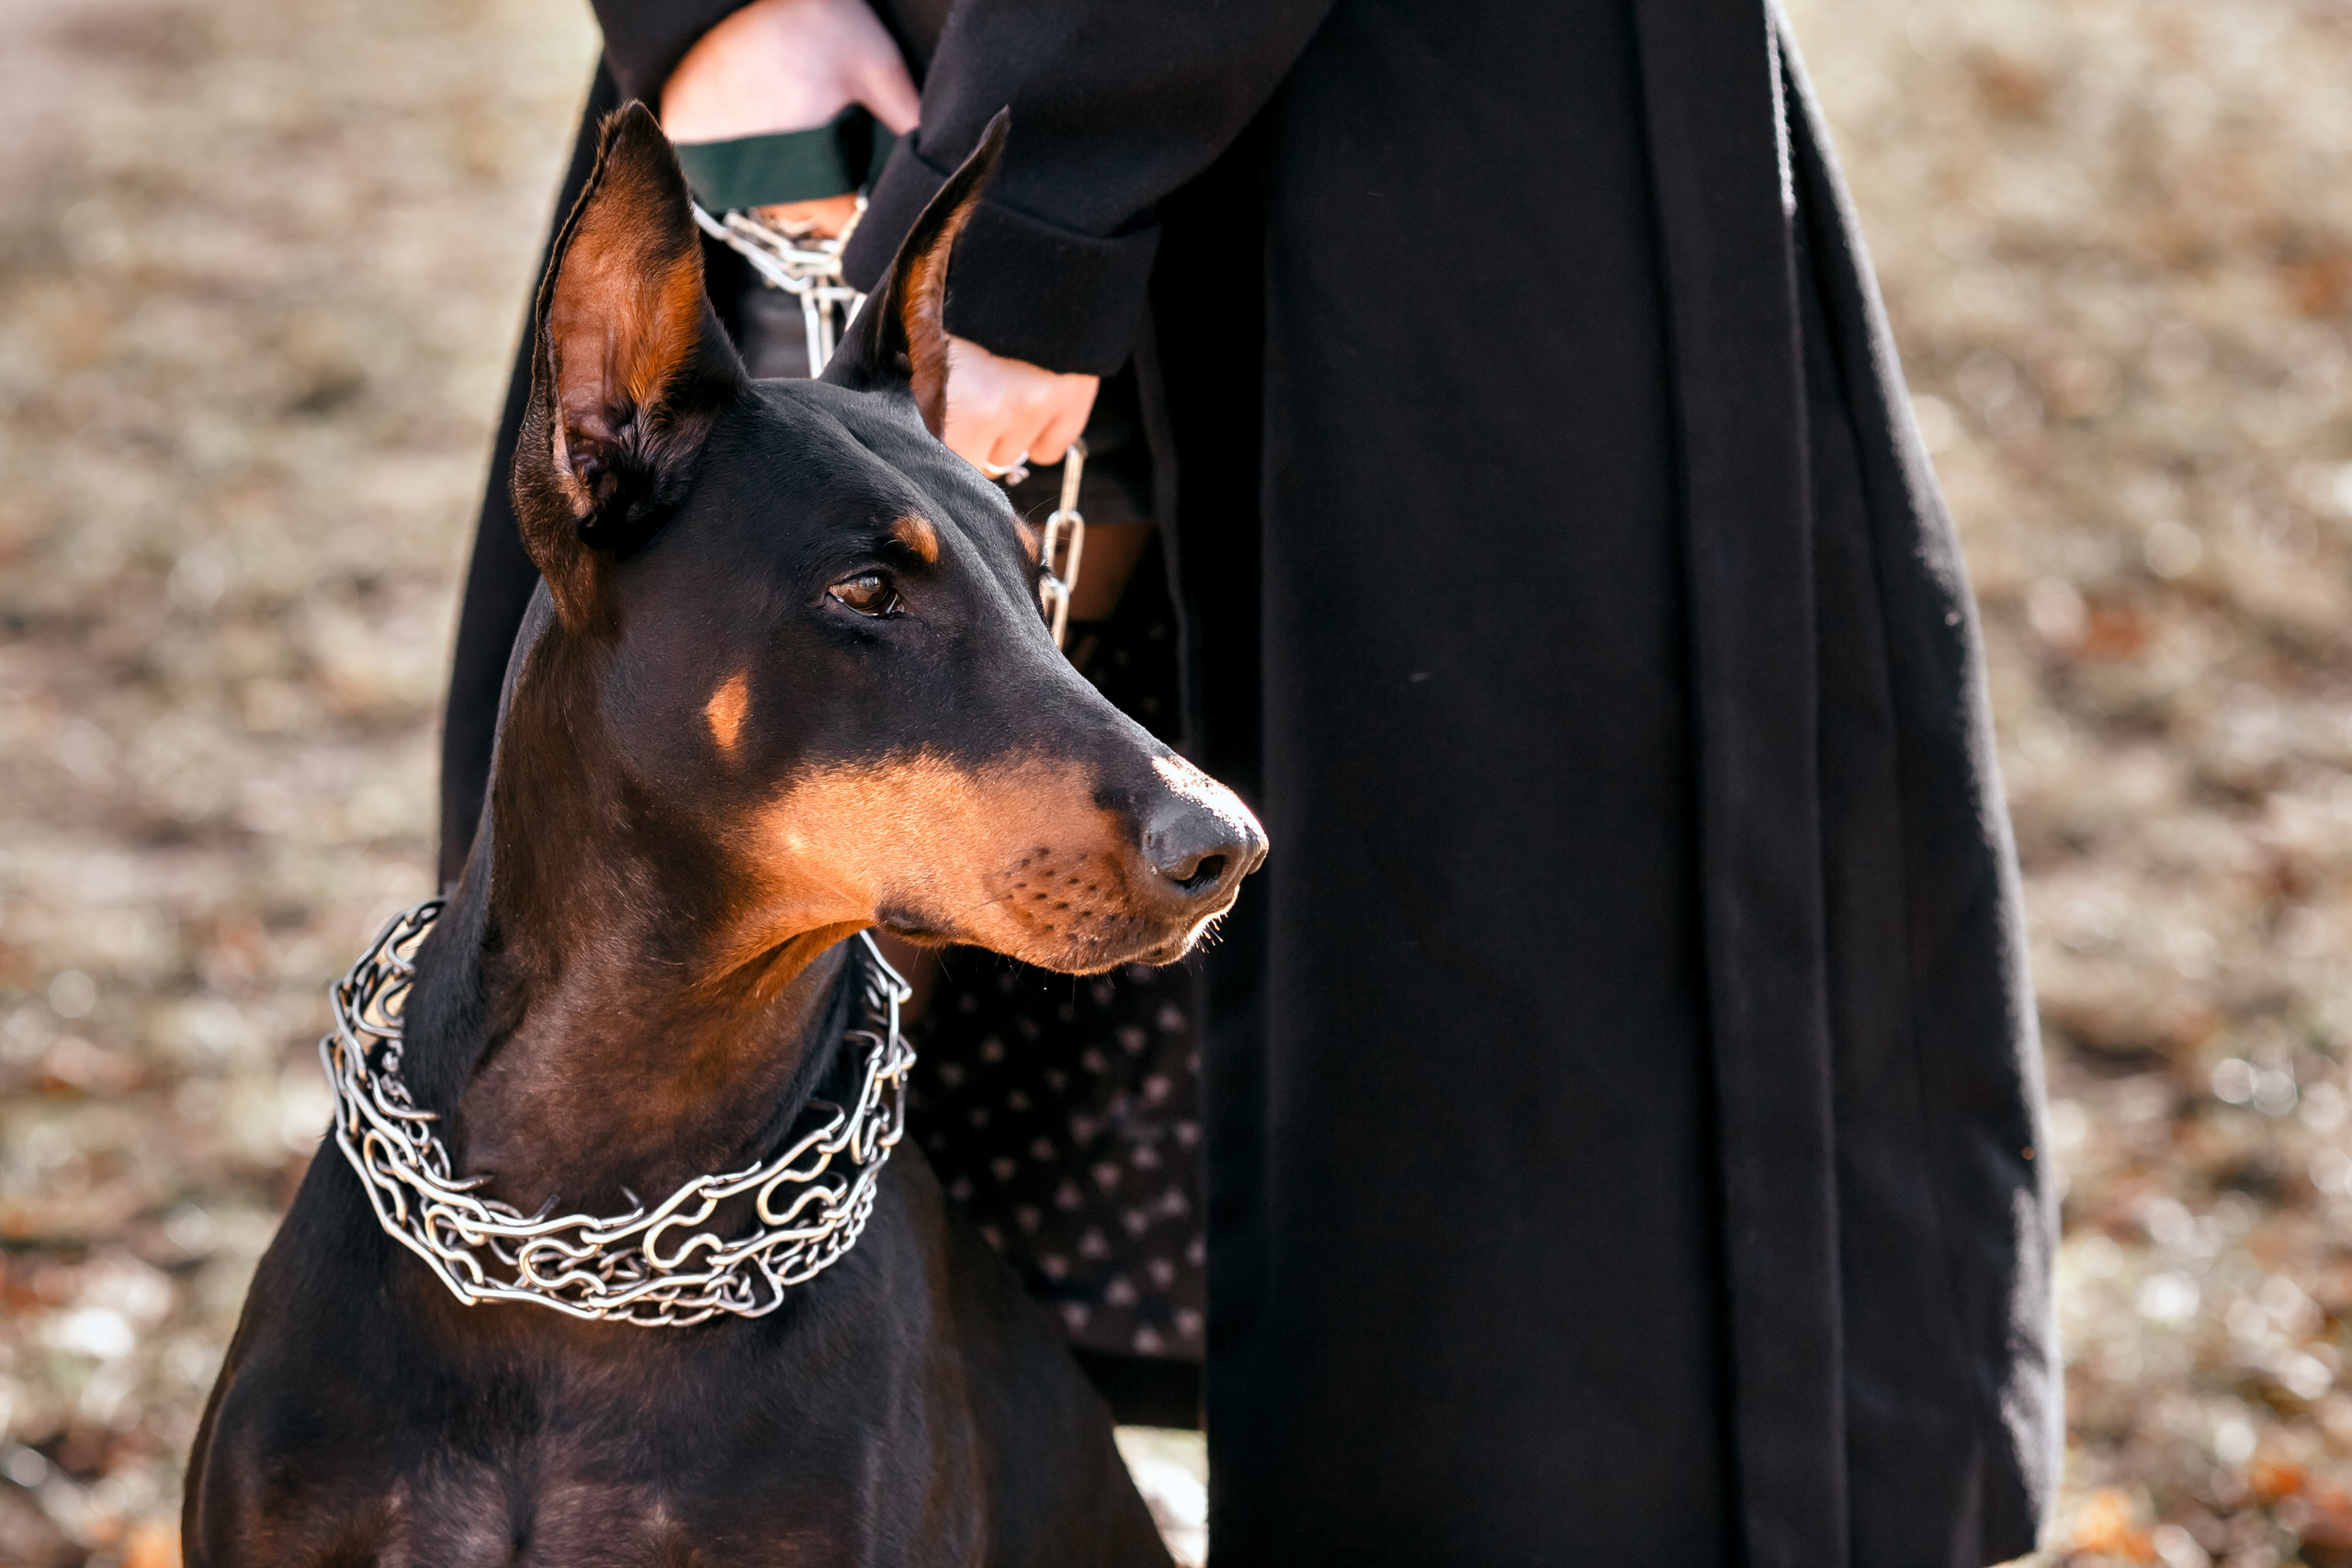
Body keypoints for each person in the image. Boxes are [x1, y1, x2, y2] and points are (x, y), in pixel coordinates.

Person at [438, 1, 2059, 1562]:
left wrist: (1041, 190)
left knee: (1494, 1241)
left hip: (1412, 157)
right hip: (825, 115)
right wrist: (714, 18)